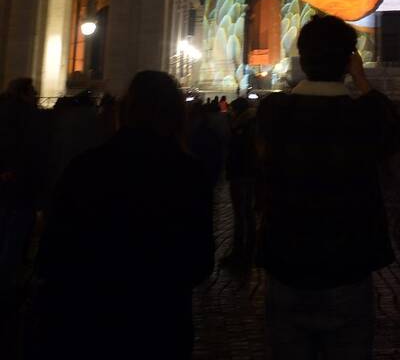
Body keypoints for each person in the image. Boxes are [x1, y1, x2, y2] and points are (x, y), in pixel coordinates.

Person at [32, 71, 214, 359]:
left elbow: (52, 255)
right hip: (161, 323)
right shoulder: (191, 174)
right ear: (177, 114)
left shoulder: (85, 167)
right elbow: (199, 262)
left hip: (90, 321)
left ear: (125, 109)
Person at [256, 15, 400, 359]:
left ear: (303, 57)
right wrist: (362, 79)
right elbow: (397, 134)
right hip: (348, 266)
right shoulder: (363, 116)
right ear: (349, 60)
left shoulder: (273, 111)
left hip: (287, 264)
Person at [0, 78, 46, 346]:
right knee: (16, 235)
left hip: (7, 181)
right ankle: (7, 286)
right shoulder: (31, 117)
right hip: (23, 184)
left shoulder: (4, 112)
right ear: (27, 93)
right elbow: (36, 152)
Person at [224, 98, 259, 267]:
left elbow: (239, 151)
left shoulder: (243, 126)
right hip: (246, 172)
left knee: (242, 213)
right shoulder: (248, 124)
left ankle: (241, 251)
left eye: (232, 109)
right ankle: (246, 248)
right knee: (245, 213)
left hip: (241, 173)